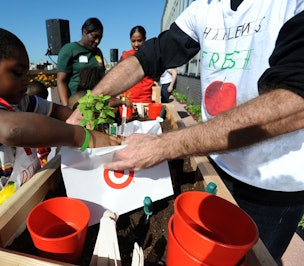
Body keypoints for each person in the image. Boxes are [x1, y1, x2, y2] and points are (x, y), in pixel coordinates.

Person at [67, 1, 304, 262]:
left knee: (252, 257)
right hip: (216, 163)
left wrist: (163, 145)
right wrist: (91, 101)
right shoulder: (206, 7)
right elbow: (148, 59)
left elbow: (296, 103)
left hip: (273, 185)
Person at [0, 25, 120, 224]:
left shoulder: (19, 101)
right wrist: (84, 137)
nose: (26, 81)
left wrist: (84, 122)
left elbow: (57, 111)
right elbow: (11, 130)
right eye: (17, 73)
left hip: (28, 196)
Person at [57, 17, 105, 107]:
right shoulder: (69, 49)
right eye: (94, 37)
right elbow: (61, 80)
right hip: (76, 102)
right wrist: (66, 106)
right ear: (85, 32)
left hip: (95, 102)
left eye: (100, 38)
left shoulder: (98, 52)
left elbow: (103, 77)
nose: (97, 41)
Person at [120, 26, 154, 103]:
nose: (136, 44)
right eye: (133, 41)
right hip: (127, 101)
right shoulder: (125, 55)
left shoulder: (151, 56)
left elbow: (156, 77)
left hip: (145, 100)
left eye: (139, 40)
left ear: (145, 39)